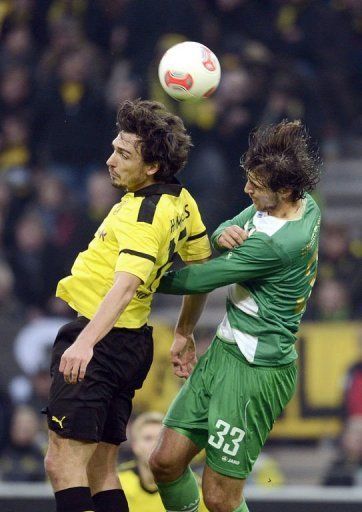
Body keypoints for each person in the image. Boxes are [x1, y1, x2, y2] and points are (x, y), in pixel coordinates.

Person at [43, 99, 211, 512]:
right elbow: (201, 266)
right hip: (131, 343)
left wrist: (84, 343)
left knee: (62, 462)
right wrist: (185, 331)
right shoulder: (181, 201)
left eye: (123, 154)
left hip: (102, 340)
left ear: (152, 166)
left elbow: (126, 284)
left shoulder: (143, 213)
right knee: (101, 466)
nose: (110, 160)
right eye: (114, 147)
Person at [149, 120, 322, 512]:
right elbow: (236, 226)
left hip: (256, 370)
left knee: (220, 498)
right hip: (227, 351)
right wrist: (220, 232)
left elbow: (203, 277)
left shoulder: (280, 245)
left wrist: (141, 276)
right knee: (165, 462)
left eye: (255, 186)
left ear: (283, 189)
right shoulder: (301, 204)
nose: (246, 190)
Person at [118, 411, 208, 511]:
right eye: (148, 438)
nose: (155, 444)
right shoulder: (117, 482)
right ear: (135, 446)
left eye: (161, 438)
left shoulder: (195, 489)